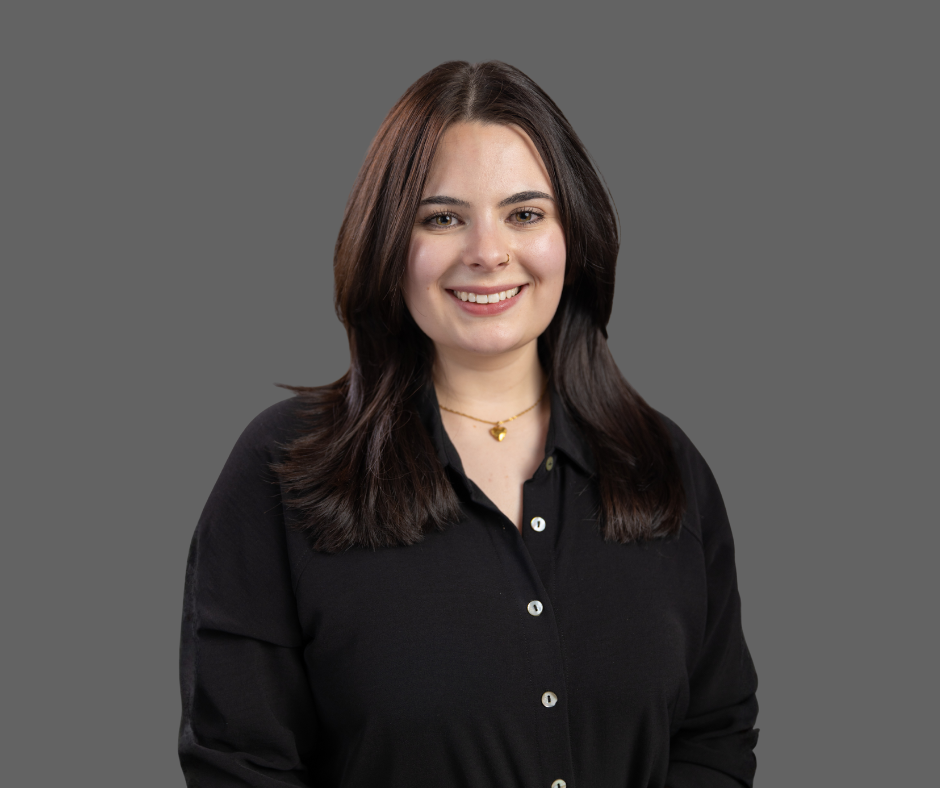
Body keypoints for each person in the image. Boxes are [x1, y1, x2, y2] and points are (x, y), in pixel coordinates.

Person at [178, 60, 759, 788]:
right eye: (443, 217)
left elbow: (715, 737)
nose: (487, 253)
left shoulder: (664, 465)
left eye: (525, 214)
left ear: (572, 238)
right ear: (389, 244)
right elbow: (239, 767)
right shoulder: (282, 468)